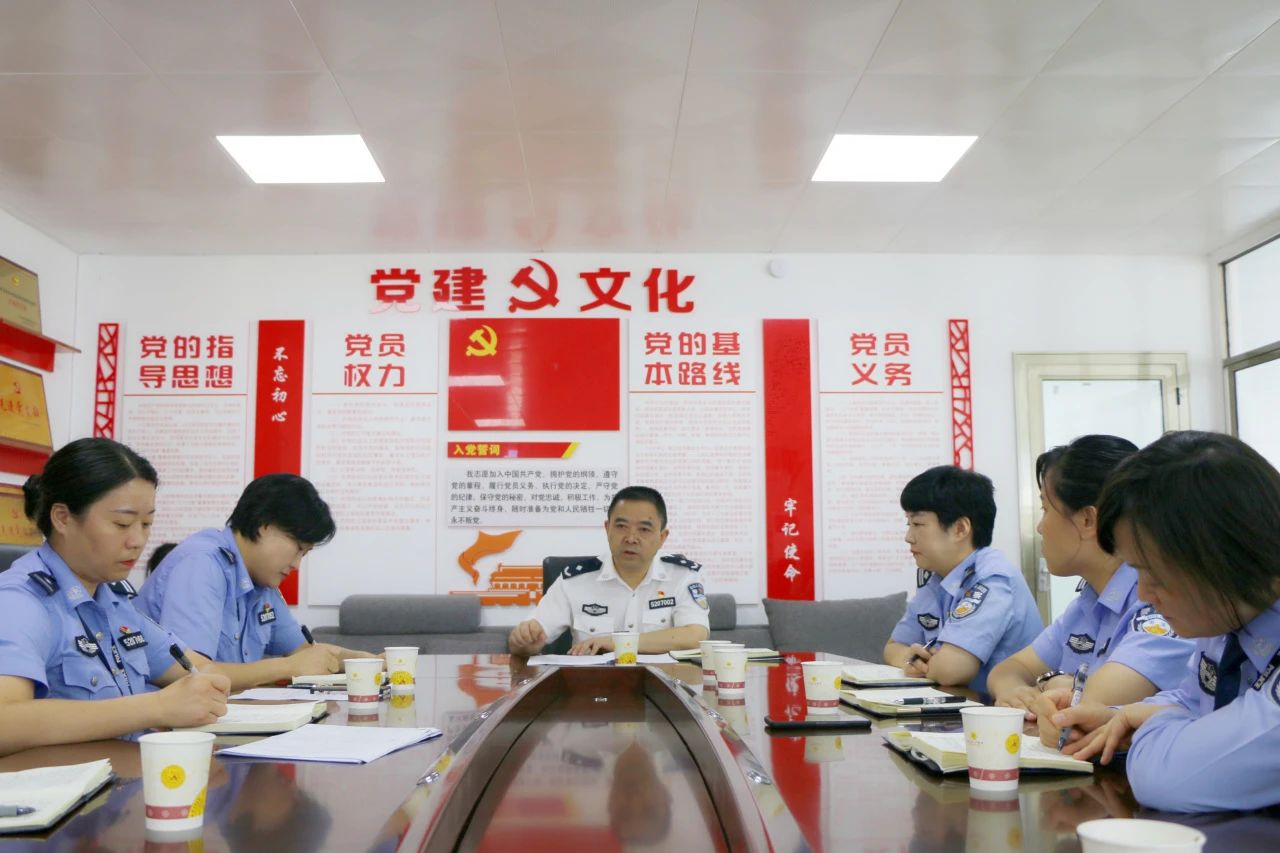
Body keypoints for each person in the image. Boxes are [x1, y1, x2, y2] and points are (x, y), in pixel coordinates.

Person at [1051, 431, 1280, 813]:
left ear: (1218, 556)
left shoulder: (1224, 607)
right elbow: (1192, 698)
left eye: (1153, 573)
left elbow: (1165, 777)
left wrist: (1156, 730)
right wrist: (1120, 718)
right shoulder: (1228, 618)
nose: (1143, 594)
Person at [0, 438, 230, 756]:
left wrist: (208, 686)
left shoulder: (113, 599)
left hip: (126, 774)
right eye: (122, 524)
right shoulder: (21, 601)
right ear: (62, 518)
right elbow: (5, 721)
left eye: (146, 524)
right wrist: (157, 707)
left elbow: (195, 668)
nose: (138, 540)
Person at [986, 435, 1193, 740]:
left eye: (1045, 509)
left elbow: (1087, 706)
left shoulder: (1157, 597)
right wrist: (1018, 692)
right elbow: (1009, 669)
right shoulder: (1091, 600)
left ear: (1087, 519)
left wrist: (1047, 684)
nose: (1040, 527)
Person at [137, 474, 368, 681]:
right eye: (298, 548)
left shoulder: (261, 582)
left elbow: (305, 652)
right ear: (265, 526)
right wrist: (287, 667)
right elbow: (192, 674)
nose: (297, 565)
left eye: (304, 554)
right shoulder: (202, 563)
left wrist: (371, 661)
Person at [884, 465, 1042, 693]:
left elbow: (951, 670)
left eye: (918, 524)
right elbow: (893, 647)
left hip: (1001, 712)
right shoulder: (938, 578)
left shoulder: (993, 579)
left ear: (960, 528)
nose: (908, 537)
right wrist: (911, 658)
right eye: (909, 524)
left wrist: (921, 662)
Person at [508, 486, 710, 656]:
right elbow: (530, 638)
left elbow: (695, 636)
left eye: (644, 529)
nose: (631, 538)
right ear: (607, 528)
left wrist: (618, 643)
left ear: (662, 537)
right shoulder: (575, 580)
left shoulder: (682, 576)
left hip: (662, 686)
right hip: (592, 686)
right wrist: (525, 641)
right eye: (621, 526)